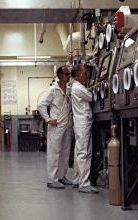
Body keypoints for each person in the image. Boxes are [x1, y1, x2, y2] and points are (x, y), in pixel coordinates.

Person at [38, 66, 74, 189]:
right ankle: (51, 179)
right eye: (66, 74)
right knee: (54, 152)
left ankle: (62, 176)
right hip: (56, 125)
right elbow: (41, 105)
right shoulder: (53, 90)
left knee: (65, 152)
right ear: (59, 75)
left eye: (69, 74)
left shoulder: (69, 89)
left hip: (67, 125)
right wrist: (48, 119)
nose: (68, 76)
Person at [70, 64, 98, 194]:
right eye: (85, 72)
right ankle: (84, 183)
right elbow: (92, 97)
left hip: (80, 122)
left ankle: (77, 180)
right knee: (84, 152)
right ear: (79, 74)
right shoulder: (78, 88)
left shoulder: (76, 87)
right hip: (83, 122)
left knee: (78, 151)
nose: (86, 75)